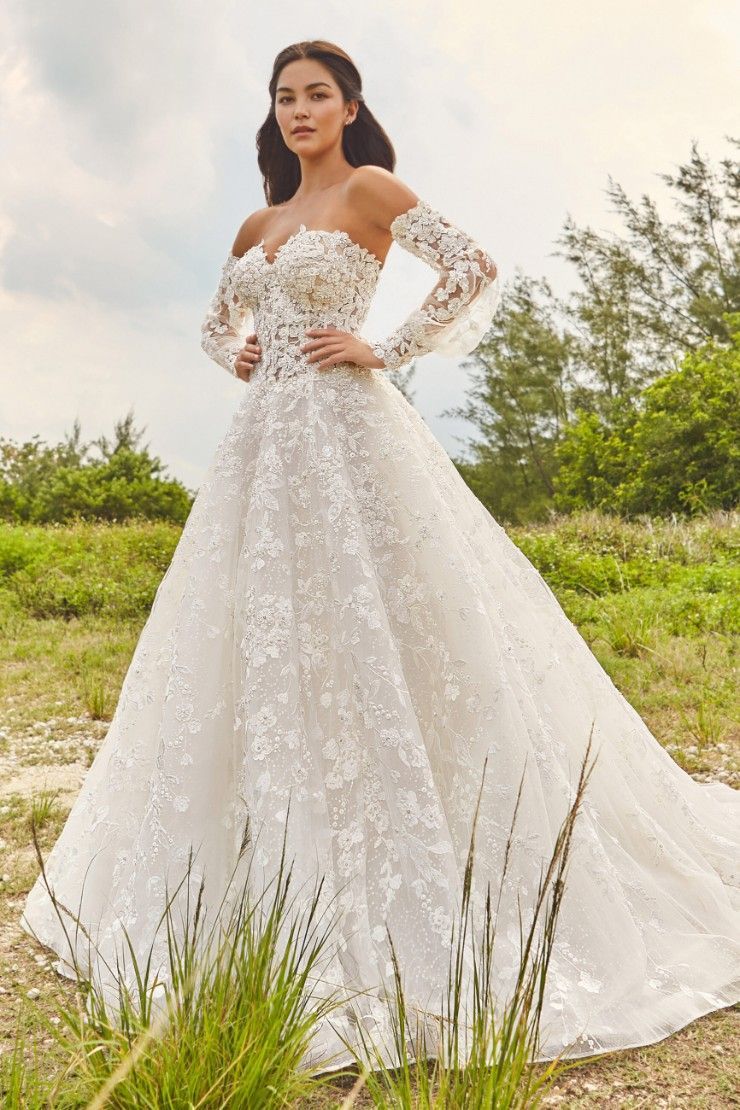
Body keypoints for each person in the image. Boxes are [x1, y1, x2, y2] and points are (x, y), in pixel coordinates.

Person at [21, 38, 740, 1077]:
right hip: (262, 459)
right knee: (249, 641)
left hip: (353, 444)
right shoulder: (258, 222)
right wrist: (238, 356)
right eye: (284, 98)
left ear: (350, 108)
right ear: (270, 116)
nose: (299, 109)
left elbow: (472, 266)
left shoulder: (367, 189)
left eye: (317, 94)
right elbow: (212, 323)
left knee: (394, 628)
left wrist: (384, 347)